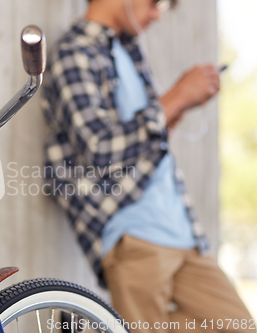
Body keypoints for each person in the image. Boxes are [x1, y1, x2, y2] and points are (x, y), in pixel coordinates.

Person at [42, 0, 255, 332]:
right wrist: (177, 96)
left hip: (182, 231)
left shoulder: (127, 49)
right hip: (132, 235)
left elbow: (144, 143)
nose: (157, 14)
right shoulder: (75, 52)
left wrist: (180, 106)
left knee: (239, 325)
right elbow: (99, 148)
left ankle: (98, 329)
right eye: (155, 3)